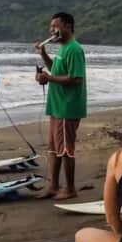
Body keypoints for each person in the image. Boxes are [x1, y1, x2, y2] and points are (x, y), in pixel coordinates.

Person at [34, 12, 86, 199]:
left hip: (67, 107)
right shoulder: (63, 49)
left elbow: (76, 79)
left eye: (55, 27)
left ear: (68, 26)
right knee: (53, 149)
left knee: (66, 150)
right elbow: (55, 70)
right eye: (51, 28)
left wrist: (50, 78)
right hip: (57, 107)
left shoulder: (74, 49)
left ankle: (70, 188)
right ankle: (53, 185)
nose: (52, 31)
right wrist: (44, 57)